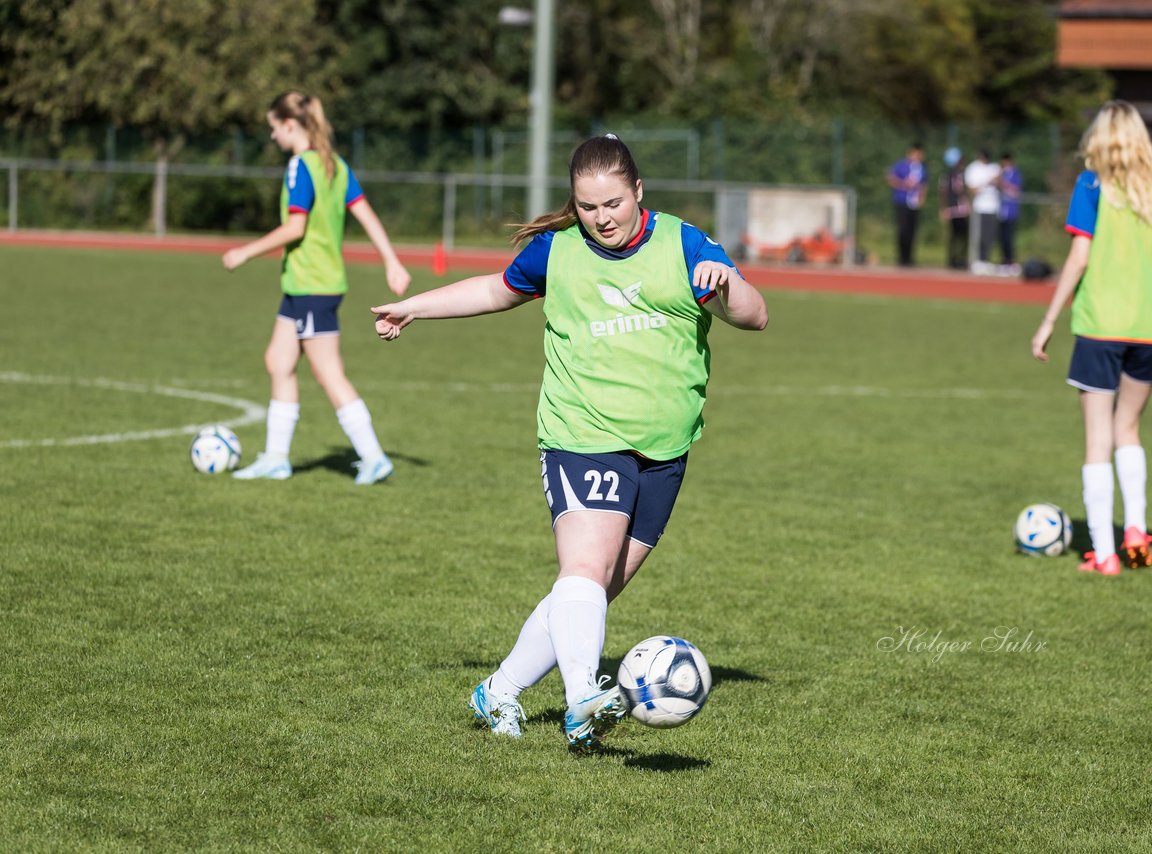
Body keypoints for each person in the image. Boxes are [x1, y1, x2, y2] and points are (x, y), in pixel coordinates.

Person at [369, 135, 768, 750]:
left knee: (591, 593)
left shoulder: (685, 244)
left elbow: (755, 315)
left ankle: (498, 689)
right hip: (581, 432)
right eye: (587, 207)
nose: (602, 218)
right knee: (582, 570)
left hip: (664, 449)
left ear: (638, 192)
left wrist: (726, 287)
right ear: (573, 205)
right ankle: (583, 699)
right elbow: (494, 289)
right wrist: (415, 308)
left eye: (613, 203)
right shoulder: (555, 253)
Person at [1030, 101, 1152, 575]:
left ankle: (1104, 555)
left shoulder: (1093, 184)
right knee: (1130, 430)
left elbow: (1080, 257)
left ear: (1100, 140)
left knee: (1098, 438)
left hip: (1102, 327)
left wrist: (1048, 320)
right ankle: (1136, 531)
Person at [222, 90, 410, 484]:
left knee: (328, 372)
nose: (272, 137)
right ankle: (275, 458)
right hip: (304, 285)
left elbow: (296, 226)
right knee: (277, 360)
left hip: (313, 285)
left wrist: (245, 252)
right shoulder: (335, 164)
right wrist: (391, 259)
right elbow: (366, 214)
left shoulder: (300, 166)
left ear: (289, 125)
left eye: (274, 129)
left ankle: (373, 457)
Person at [886, 143, 927, 267]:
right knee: (902, 230)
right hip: (902, 201)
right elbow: (891, 178)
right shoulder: (901, 165)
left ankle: (910, 257)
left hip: (914, 203)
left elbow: (924, 185)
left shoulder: (922, 168)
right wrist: (904, 184)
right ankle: (901, 257)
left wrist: (922, 198)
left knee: (912, 231)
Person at [965, 148, 1001, 270]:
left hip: (993, 206)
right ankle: (977, 260)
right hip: (980, 207)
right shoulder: (973, 168)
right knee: (979, 235)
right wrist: (987, 181)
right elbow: (972, 189)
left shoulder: (994, 167)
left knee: (990, 235)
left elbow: (1001, 184)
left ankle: (986, 259)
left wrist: (997, 180)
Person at [939, 147, 970, 270]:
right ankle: (952, 259)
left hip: (962, 210)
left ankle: (962, 259)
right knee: (954, 236)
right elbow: (943, 192)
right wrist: (943, 209)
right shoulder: (948, 176)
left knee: (964, 236)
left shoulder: (964, 175)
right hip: (953, 210)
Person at [996, 152, 1022, 274]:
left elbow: (1016, 191)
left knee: (1009, 238)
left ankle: (1011, 261)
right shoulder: (1002, 173)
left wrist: (1003, 184)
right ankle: (1004, 260)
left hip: (1011, 211)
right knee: (1002, 237)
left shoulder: (1015, 174)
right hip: (1002, 211)